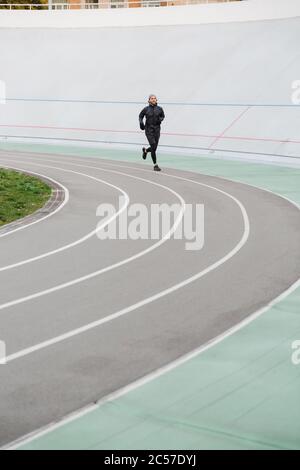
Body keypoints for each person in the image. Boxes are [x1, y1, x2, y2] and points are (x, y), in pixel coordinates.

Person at [139, 94, 165, 171]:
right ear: (149, 100)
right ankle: (155, 165)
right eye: (152, 98)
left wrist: (161, 119)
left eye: (155, 98)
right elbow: (140, 116)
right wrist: (141, 123)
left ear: (156, 100)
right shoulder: (146, 109)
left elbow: (163, 116)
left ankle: (146, 151)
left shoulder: (160, 109)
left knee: (154, 147)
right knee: (153, 145)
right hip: (148, 129)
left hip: (157, 129)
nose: (153, 99)